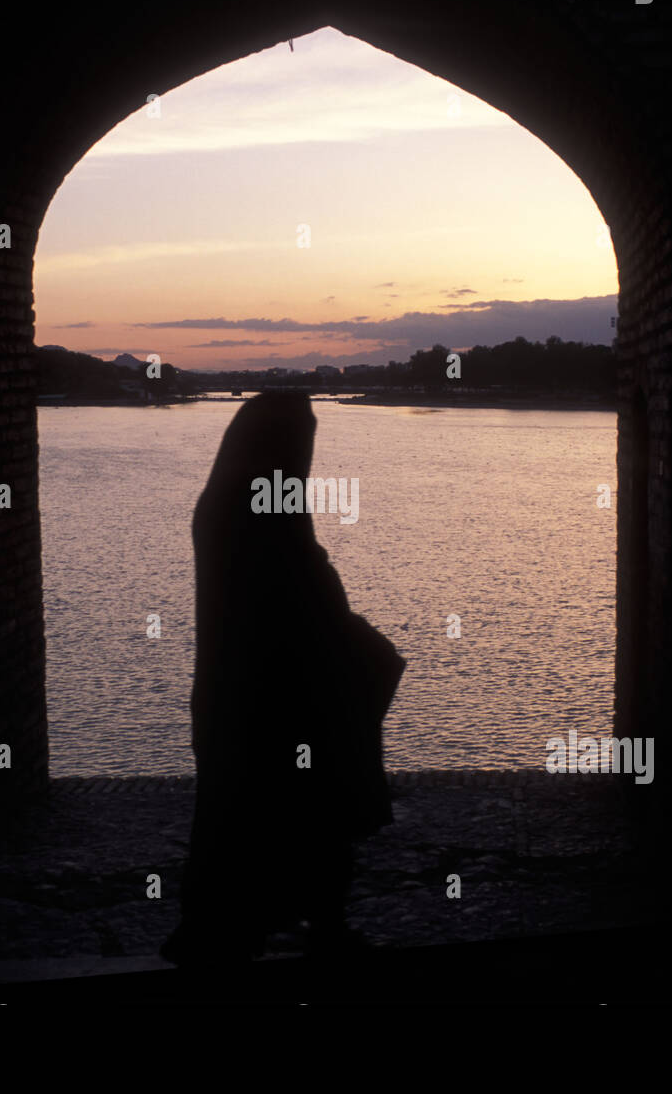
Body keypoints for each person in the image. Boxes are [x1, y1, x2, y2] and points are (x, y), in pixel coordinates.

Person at [160, 391, 405, 966]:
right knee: (308, 809)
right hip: (281, 697)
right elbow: (304, 587)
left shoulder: (229, 500)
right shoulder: (261, 505)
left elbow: (302, 577)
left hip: (241, 696)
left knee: (242, 814)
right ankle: (305, 925)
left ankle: (235, 926)